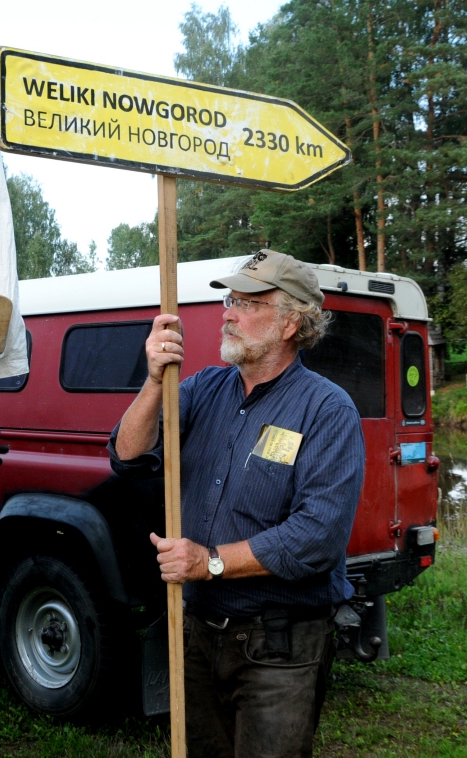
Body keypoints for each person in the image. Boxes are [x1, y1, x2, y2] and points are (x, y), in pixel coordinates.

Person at [109, 249, 365, 758]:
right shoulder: (202, 388)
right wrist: (153, 379)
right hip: (198, 634)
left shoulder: (327, 409)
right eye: (230, 300)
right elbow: (128, 456)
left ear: (291, 322)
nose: (229, 313)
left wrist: (210, 562)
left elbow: (316, 537)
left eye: (248, 303)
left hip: (280, 646)